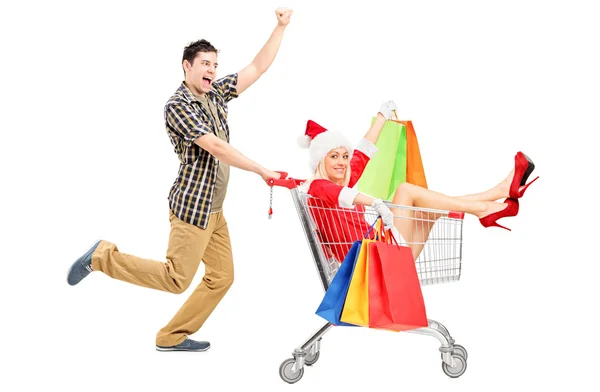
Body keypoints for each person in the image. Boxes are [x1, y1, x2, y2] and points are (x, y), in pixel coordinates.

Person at [66, 8, 294, 352]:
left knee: (223, 277)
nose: (212, 71)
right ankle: (101, 257)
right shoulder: (178, 105)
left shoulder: (215, 93)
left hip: (215, 213)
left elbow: (258, 67)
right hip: (192, 209)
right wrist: (261, 169)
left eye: (215, 64)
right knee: (176, 278)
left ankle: (171, 337)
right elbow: (216, 147)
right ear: (187, 65)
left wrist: (280, 26)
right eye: (205, 64)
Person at [297, 100, 539, 262]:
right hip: (371, 263)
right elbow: (344, 196)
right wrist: (376, 203)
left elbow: (364, 151)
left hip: (380, 254)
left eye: (344, 156)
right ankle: (486, 206)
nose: (341, 162)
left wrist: (382, 116)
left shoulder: (343, 179)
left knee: (429, 209)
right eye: (334, 156)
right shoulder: (317, 187)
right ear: (320, 160)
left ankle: (495, 193)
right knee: (405, 190)